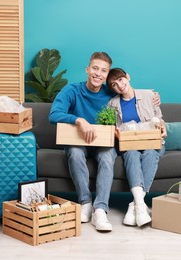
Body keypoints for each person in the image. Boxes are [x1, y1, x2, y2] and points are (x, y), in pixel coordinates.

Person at [49, 52, 117, 232]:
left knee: (107, 156)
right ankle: (85, 202)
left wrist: (153, 97)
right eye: (95, 68)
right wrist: (78, 120)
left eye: (103, 71)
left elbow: (131, 98)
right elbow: (53, 114)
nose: (98, 74)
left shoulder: (111, 94)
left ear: (107, 75)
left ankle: (100, 209)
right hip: (78, 142)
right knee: (75, 152)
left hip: (102, 144)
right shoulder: (72, 90)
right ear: (88, 70)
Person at [106, 67, 167, 227]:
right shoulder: (112, 104)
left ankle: (135, 204)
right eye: (114, 84)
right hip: (129, 144)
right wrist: (116, 134)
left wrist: (162, 127)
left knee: (151, 153)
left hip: (152, 142)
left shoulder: (149, 95)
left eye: (120, 79)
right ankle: (140, 205)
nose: (119, 85)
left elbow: (159, 119)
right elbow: (112, 129)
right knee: (131, 154)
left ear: (127, 76)